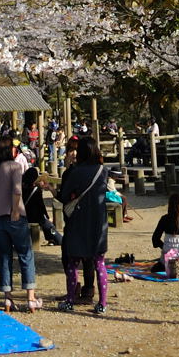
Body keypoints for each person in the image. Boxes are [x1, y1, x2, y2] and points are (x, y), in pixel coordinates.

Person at [0, 132, 42, 314]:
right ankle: (30, 298)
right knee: (26, 254)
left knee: (4, 256)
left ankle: (7, 298)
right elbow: (17, 191)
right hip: (14, 215)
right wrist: (16, 211)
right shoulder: (15, 167)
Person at [57, 134, 109, 315]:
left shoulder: (76, 172)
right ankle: (102, 303)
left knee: (73, 262)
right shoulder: (103, 170)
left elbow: (64, 196)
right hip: (98, 222)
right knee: (99, 262)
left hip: (78, 221)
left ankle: (70, 299)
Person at [22, 165, 62, 245]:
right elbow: (41, 206)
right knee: (49, 226)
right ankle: (57, 239)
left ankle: (51, 239)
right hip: (36, 216)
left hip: (24, 215)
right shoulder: (36, 190)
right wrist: (47, 217)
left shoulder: (21, 187)